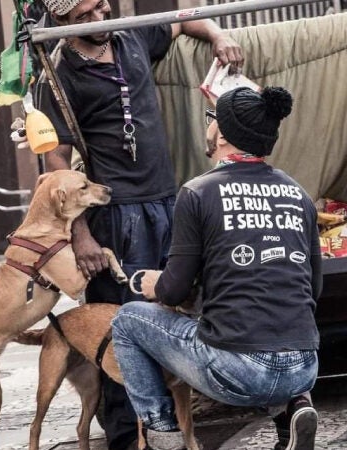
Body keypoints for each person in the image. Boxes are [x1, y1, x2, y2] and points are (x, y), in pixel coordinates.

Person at [33, 1, 244, 449]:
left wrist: (218, 35)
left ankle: (172, 428)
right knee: (121, 327)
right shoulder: (57, 77)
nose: (99, 19)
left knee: (174, 310)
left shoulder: (131, 37)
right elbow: (56, 167)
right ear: (63, 22)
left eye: (103, 6)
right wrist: (81, 233)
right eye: (86, 15)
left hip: (168, 203)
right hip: (114, 217)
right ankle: (127, 436)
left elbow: (183, 18)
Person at [110, 86, 321, 450]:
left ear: (221, 134)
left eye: (212, 120)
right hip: (305, 367)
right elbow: (312, 289)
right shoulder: (298, 194)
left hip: (239, 372)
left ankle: (163, 433)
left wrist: (153, 285)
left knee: (127, 321)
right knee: (257, 327)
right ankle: (292, 411)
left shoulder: (197, 192)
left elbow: (174, 291)